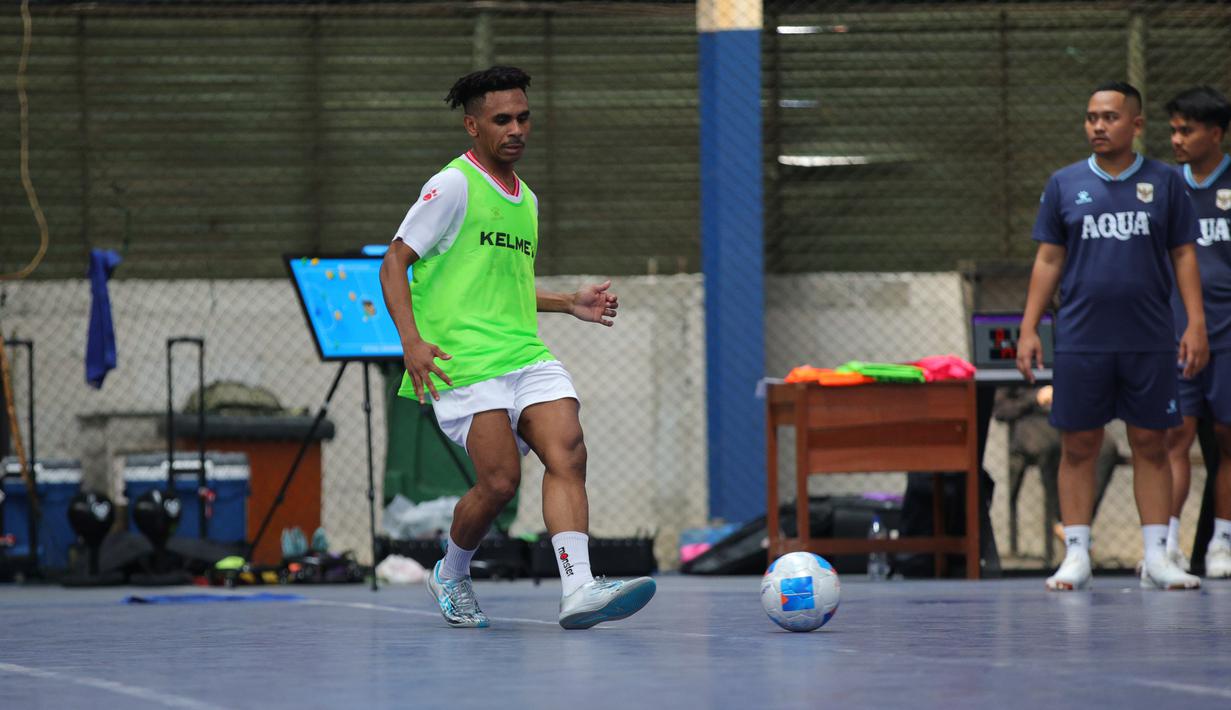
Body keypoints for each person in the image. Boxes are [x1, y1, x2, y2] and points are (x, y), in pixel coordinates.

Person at [378, 66, 656, 628]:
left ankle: (578, 587)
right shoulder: (452, 185)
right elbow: (394, 262)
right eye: (502, 119)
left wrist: (568, 303)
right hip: (463, 358)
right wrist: (411, 341)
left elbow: (503, 286)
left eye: (523, 117)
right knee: (501, 481)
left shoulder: (526, 198)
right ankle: (451, 571)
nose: (516, 129)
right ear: (472, 126)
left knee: (568, 448)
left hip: (522, 353)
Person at [1017, 81, 1208, 591]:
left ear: (1136, 125)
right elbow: (1049, 258)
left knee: (1152, 441)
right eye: (1091, 117)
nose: (1098, 126)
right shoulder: (1064, 184)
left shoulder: (1166, 183)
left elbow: (1184, 253)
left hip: (1149, 336)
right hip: (1081, 337)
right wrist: (1029, 326)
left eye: (1109, 117)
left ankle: (1158, 555)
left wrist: (1194, 321)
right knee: (1078, 443)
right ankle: (1076, 553)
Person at [1162, 86, 1231, 578]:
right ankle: (1165, 544)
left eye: (1186, 130)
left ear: (1215, 133)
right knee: (1174, 436)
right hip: (1175, 332)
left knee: (1229, 438)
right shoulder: (1165, 186)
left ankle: (1222, 543)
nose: (1177, 139)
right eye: (1172, 129)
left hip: (1229, 335)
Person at [994, 385, 1119, 560]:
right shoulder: (1013, 365)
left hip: (1070, 416)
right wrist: (1036, 397)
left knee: (1106, 448)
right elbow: (1001, 410)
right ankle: (1065, 522)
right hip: (1032, 420)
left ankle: (1075, 524)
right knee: (1051, 447)